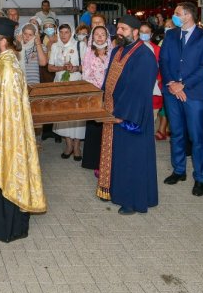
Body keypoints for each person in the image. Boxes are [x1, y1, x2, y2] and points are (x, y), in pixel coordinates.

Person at [0, 17, 46, 239]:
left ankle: (4, 227)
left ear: (3, 41)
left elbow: (7, 111)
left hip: (4, 135)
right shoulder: (4, 62)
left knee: (0, 179)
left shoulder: (8, 69)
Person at [95, 16, 159, 213]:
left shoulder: (144, 56)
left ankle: (132, 201)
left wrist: (124, 115)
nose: (119, 32)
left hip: (131, 116)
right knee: (118, 156)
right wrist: (104, 103)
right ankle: (116, 191)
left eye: (123, 28)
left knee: (132, 158)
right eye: (118, 28)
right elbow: (108, 81)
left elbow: (140, 90)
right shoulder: (117, 50)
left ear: (136, 32)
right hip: (114, 111)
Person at [159, 1, 203, 196]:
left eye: (177, 13)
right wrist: (172, 84)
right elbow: (163, 61)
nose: (174, 16)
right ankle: (179, 170)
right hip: (171, 91)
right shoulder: (171, 35)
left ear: (188, 15)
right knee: (176, 133)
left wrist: (183, 84)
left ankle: (201, 178)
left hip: (194, 93)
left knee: (197, 137)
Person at [46, 22, 86, 160]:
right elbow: (50, 67)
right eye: (61, 32)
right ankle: (68, 145)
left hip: (76, 83)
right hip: (60, 83)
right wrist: (62, 68)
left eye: (66, 32)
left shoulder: (80, 45)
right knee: (64, 114)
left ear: (72, 32)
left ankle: (77, 147)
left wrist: (74, 68)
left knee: (77, 115)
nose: (63, 35)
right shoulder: (55, 46)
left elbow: (87, 66)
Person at [80, 25, 113, 170]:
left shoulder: (112, 52)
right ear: (92, 37)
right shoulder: (89, 52)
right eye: (97, 34)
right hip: (93, 93)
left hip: (109, 93)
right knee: (93, 125)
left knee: (107, 125)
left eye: (102, 34)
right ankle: (92, 161)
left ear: (107, 37)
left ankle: (107, 160)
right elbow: (85, 73)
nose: (100, 37)